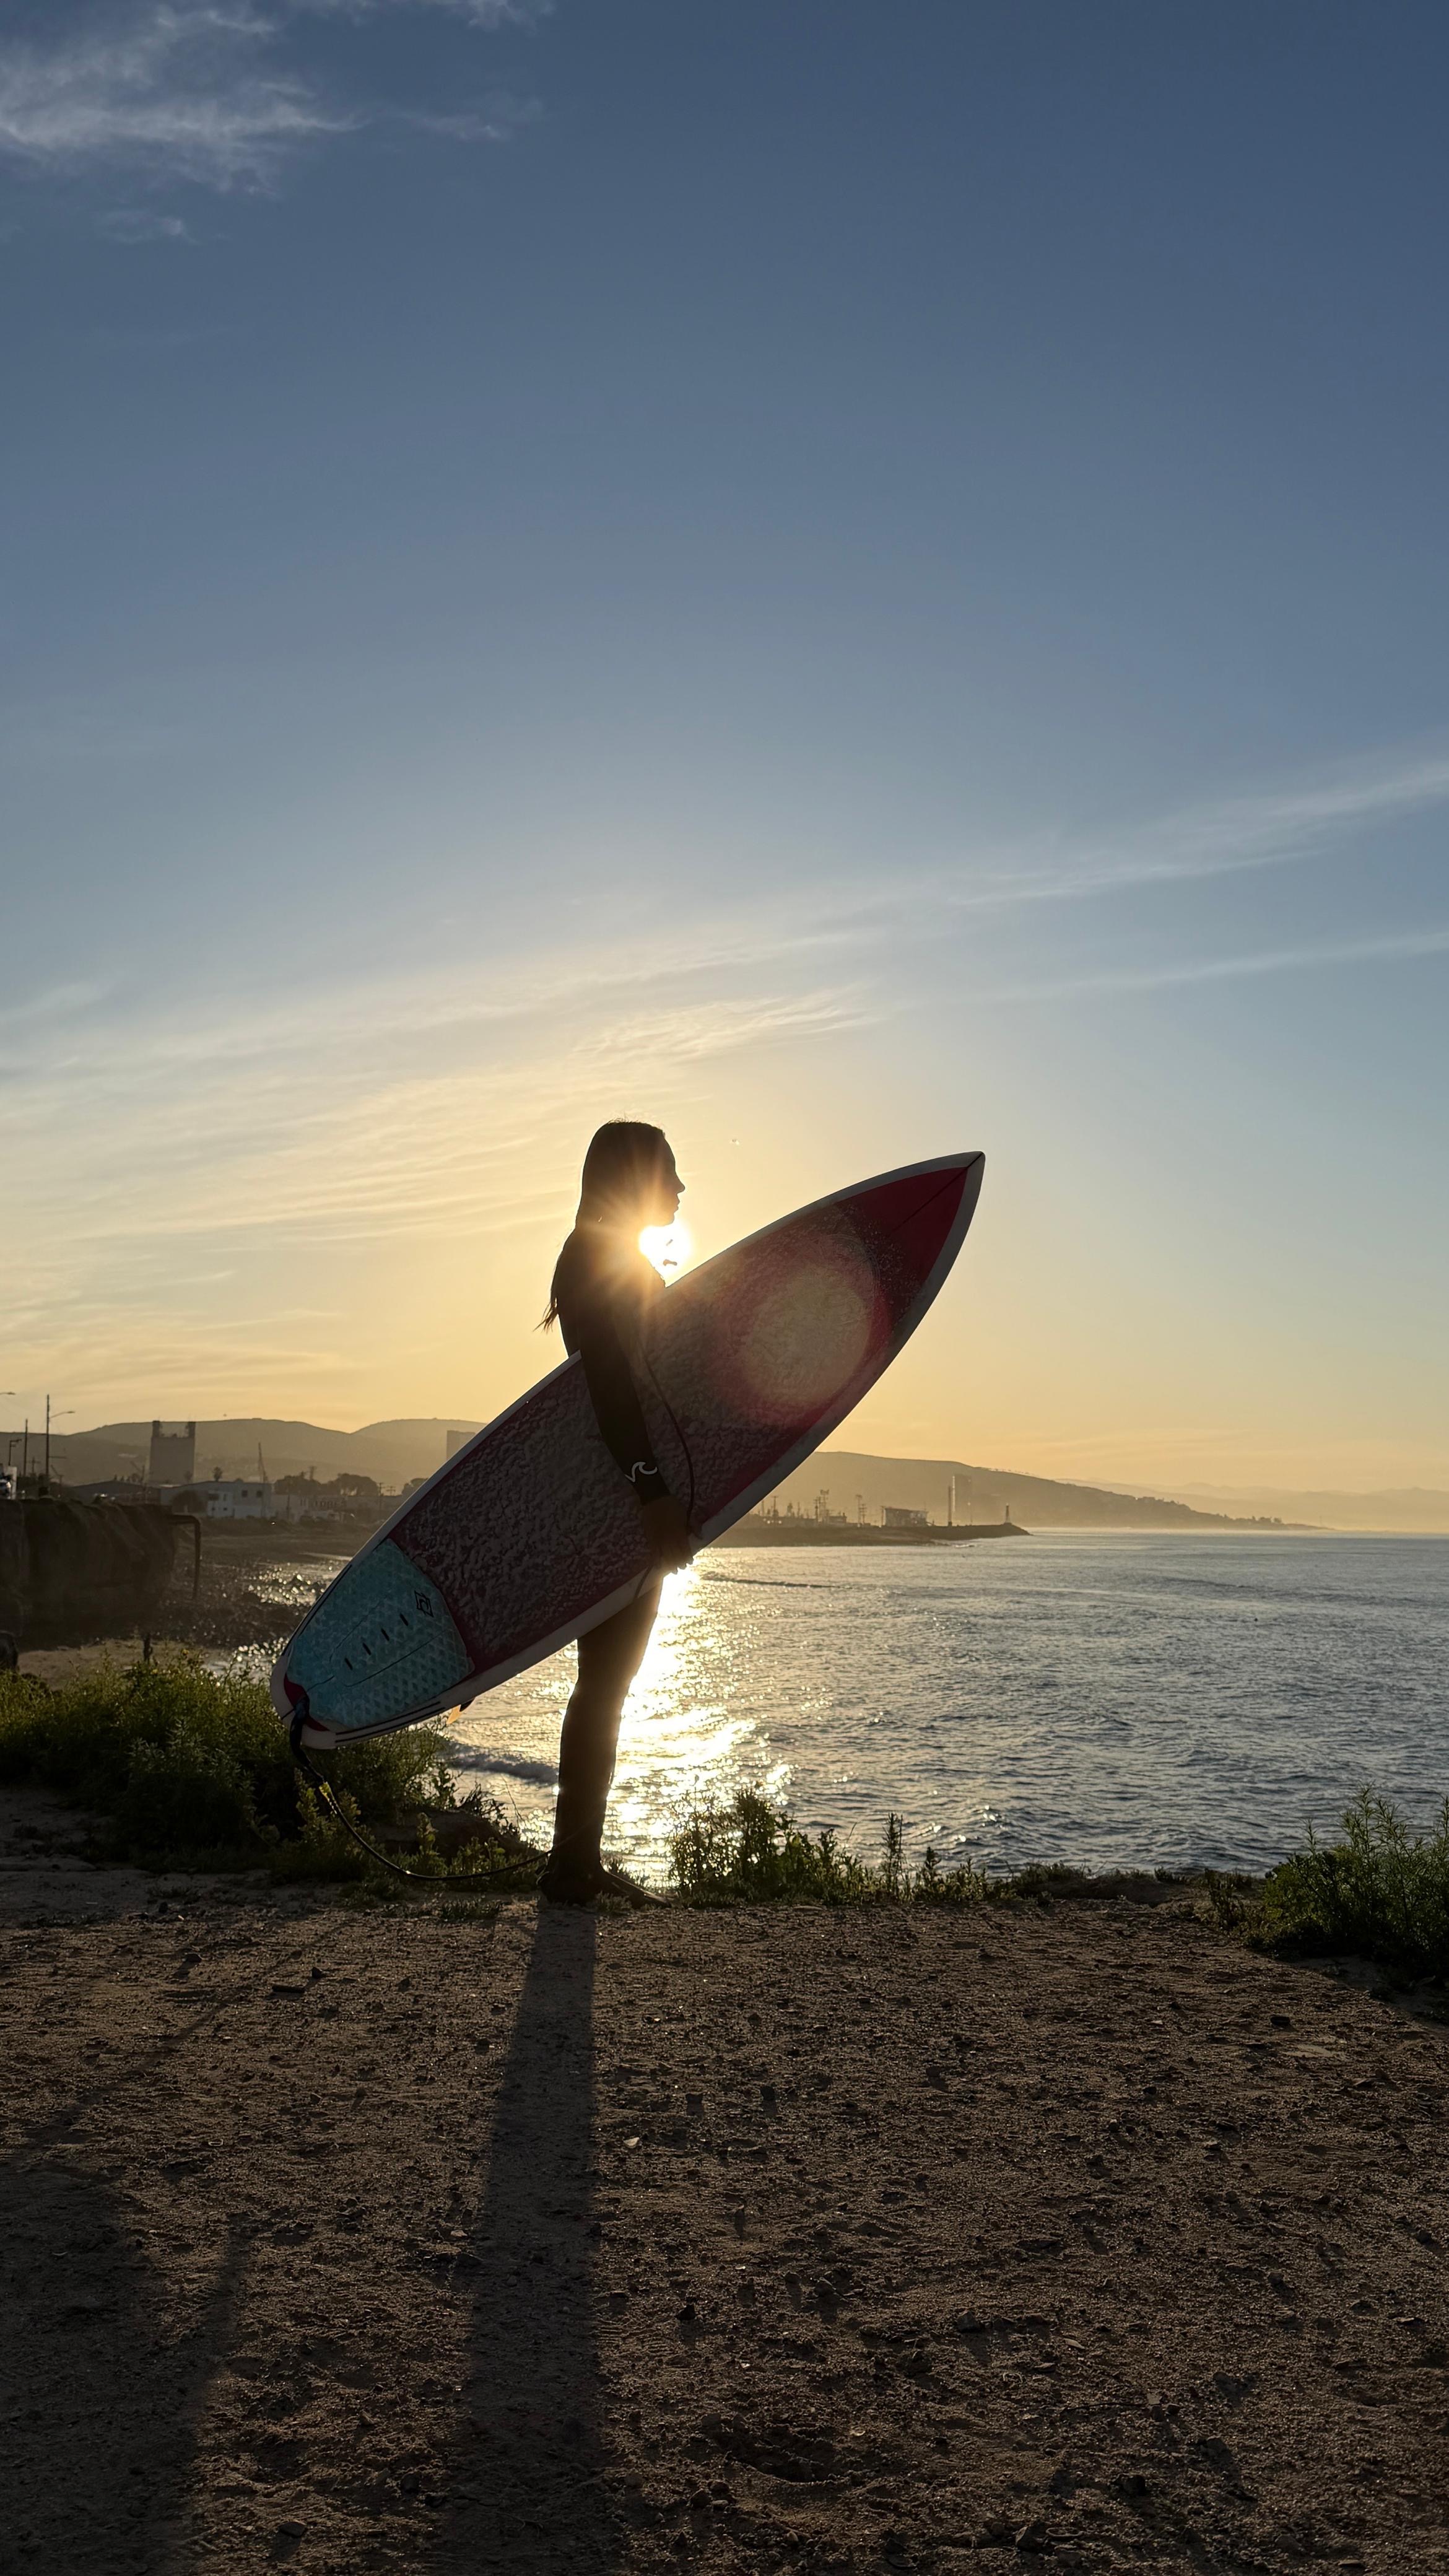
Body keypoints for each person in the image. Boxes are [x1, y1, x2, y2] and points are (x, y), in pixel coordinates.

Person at [539, 1120, 694, 1902]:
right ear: (634, 1177)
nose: (681, 1187)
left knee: (608, 1681)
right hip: (616, 1500)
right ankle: (573, 1866)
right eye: (670, 1171)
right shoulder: (597, 1253)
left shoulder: (609, 1253)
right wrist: (652, 1492)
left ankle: (578, 1861)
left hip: (622, 1495)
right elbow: (609, 1386)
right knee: (603, 1681)